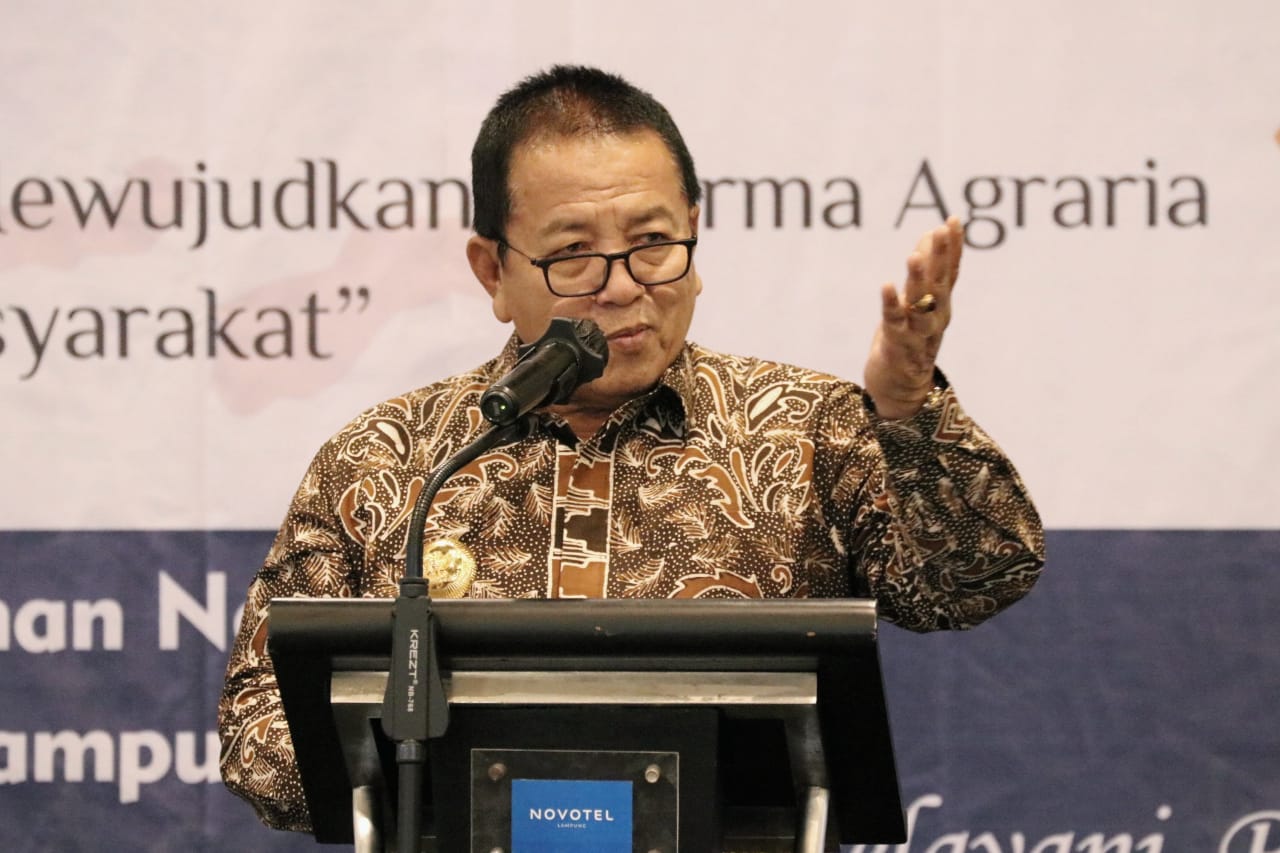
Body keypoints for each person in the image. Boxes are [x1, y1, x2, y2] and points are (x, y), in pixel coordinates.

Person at [218, 65, 1045, 832]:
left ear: (694, 234)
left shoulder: (806, 429)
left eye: (652, 241)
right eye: (573, 253)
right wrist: (420, 768)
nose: (621, 286)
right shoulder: (392, 459)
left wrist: (905, 409)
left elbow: (976, 579)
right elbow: (257, 725)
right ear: (493, 272)